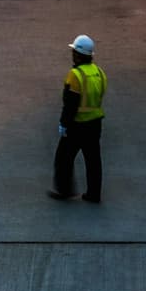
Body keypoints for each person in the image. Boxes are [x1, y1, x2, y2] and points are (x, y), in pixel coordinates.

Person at [51, 33, 104, 203]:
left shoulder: (75, 75)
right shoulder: (99, 73)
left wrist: (64, 124)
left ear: (78, 55)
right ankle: (94, 194)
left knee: (63, 158)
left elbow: (70, 103)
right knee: (93, 160)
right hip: (95, 124)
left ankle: (64, 191)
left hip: (77, 125)